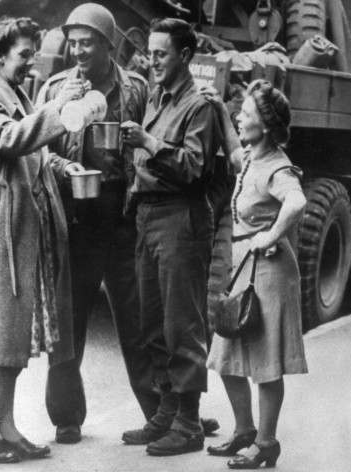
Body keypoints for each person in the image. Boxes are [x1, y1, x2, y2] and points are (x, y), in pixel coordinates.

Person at [0, 17, 84, 462]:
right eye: (24, 55)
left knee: (20, 332)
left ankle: (5, 425)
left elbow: (37, 156)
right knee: (7, 331)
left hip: (26, 222)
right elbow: (11, 141)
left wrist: (67, 169)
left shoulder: (17, 93)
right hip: (5, 220)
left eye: (32, 55)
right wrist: (60, 109)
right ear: (0, 53)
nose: (31, 63)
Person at [36, 3, 160, 445]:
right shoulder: (55, 88)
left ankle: (157, 412)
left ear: (109, 45)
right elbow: (37, 149)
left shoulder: (137, 90)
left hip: (123, 216)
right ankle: (67, 417)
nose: (78, 50)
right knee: (68, 322)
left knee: (139, 317)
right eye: (73, 42)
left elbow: (153, 144)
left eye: (87, 42)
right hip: (73, 217)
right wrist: (64, 166)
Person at [120, 18, 221, 456]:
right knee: (152, 321)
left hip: (180, 217)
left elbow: (193, 167)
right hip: (148, 216)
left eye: (161, 53)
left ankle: (188, 422)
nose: (153, 60)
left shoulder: (199, 105)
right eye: (151, 52)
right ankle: (165, 410)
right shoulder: (157, 98)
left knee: (183, 324)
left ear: (184, 56)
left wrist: (147, 143)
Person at [206, 79, 308, 470]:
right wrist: (218, 108)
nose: (239, 117)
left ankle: (266, 444)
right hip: (244, 266)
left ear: (264, 125)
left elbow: (296, 202)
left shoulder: (278, 166)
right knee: (227, 350)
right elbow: (234, 151)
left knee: (265, 363)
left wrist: (270, 234)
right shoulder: (251, 157)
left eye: (245, 114)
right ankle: (245, 431)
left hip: (269, 271)